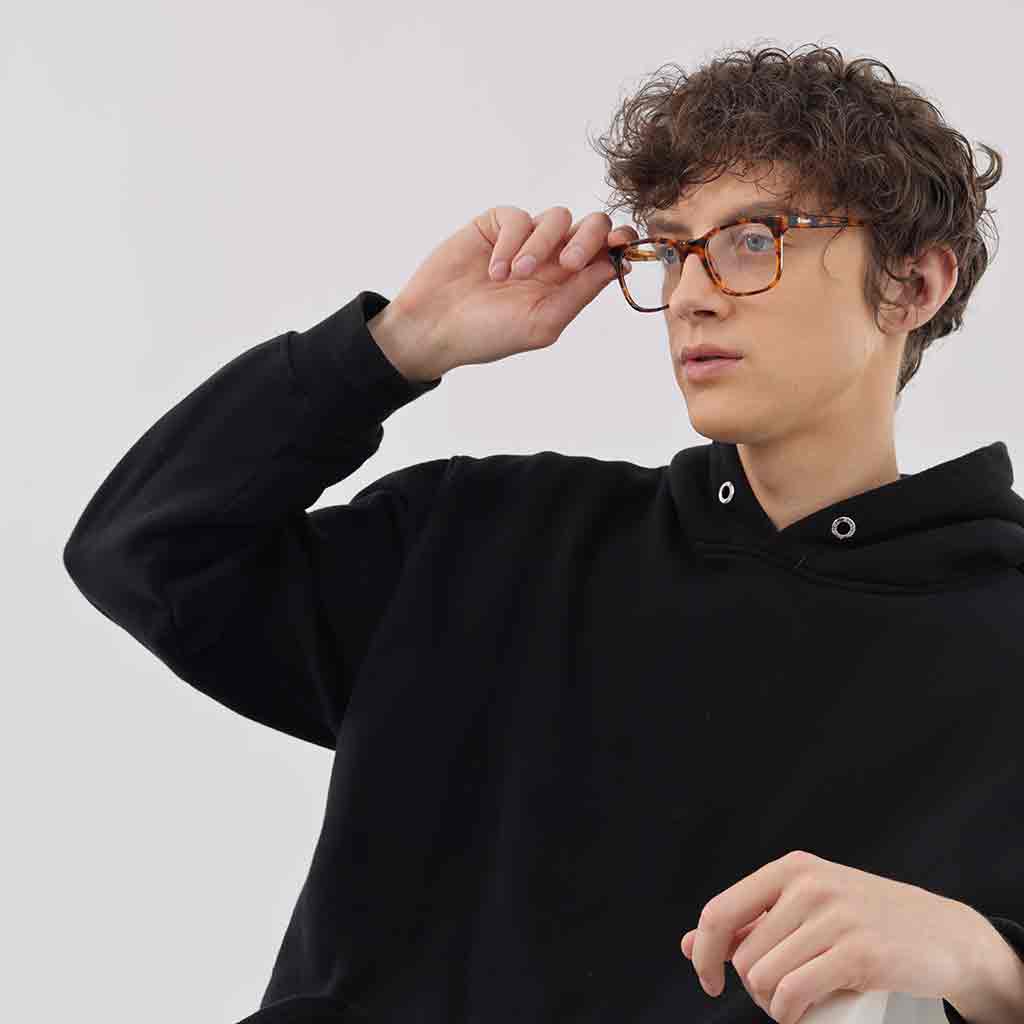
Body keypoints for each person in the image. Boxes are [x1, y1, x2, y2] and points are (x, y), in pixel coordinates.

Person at [63, 43, 1024, 1024]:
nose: (690, 295)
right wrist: (396, 344)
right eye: (671, 250)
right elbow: (143, 554)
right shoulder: (487, 539)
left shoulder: (1002, 635)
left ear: (912, 285)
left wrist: (990, 963)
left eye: (750, 240)